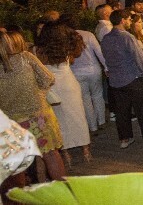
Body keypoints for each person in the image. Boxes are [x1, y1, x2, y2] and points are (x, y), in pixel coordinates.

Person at [0, 30, 66, 181]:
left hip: (11, 122)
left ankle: (20, 194)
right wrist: (39, 93)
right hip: (38, 116)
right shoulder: (26, 57)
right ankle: (65, 190)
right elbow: (48, 78)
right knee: (50, 154)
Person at [100, 10, 143, 149]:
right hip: (132, 78)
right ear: (122, 20)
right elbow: (138, 57)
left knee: (122, 112)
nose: (130, 22)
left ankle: (125, 139)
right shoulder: (127, 37)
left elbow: (106, 57)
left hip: (116, 80)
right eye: (129, 19)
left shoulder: (106, 38)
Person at [36, 22, 92, 165]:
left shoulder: (39, 50)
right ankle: (86, 150)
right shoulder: (65, 47)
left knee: (58, 120)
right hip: (69, 84)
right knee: (78, 116)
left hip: (52, 86)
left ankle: (66, 154)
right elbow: (74, 56)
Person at [69, 18, 108, 135]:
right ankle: (101, 121)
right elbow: (99, 52)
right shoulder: (88, 35)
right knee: (97, 95)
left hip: (76, 72)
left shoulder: (66, 37)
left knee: (85, 98)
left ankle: (92, 126)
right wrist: (106, 67)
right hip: (93, 70)